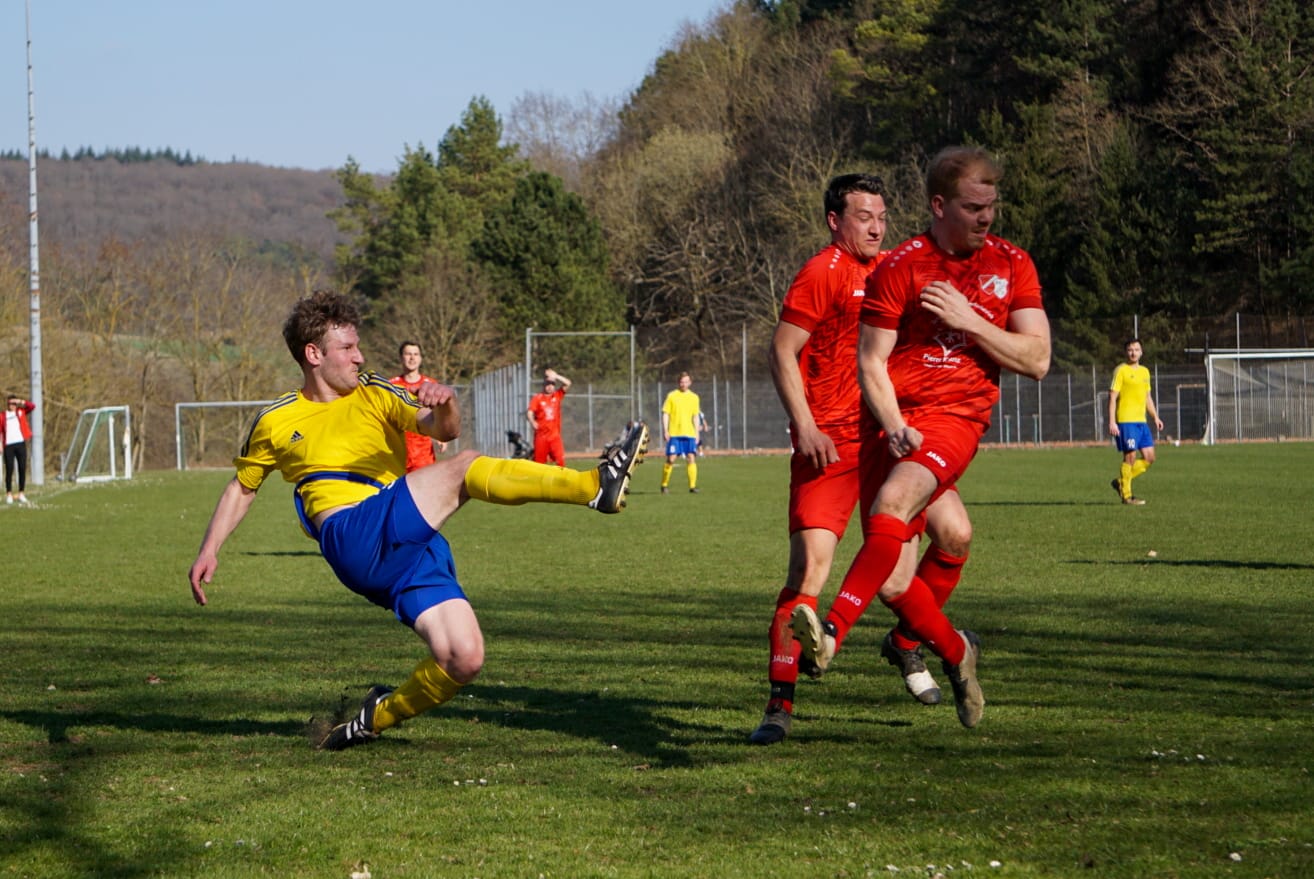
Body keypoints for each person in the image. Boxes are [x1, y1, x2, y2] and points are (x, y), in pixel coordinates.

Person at [187, 291, 649, 751]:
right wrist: (210, 549)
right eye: (347, 348)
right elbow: (242, 487)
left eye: (358, 346)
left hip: (406, 537)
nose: (359, 356)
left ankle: (369, 720)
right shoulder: (275, 419)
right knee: (465, 468)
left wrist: (445, 402)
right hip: (352, 534)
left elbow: (444, 429)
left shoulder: (376, 392)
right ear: (313, 354)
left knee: (463, 658)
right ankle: (595, 487)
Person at [791, 146, 1051, 730]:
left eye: (991, 205)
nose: (985, 218)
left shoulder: (1013, 265)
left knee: (894, 503)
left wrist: (970, 320)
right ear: (939, 205)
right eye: (971, 206)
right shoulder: (900, 266)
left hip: (956, 418)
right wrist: (892, 425)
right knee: (926, 558)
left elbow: (1037, 360)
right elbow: (872, 363)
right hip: (894, 423)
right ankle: (954, 652)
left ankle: (831, 633)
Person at [749, 174, 972, 745]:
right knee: (808, 573)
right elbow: (782, 349)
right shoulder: (824, 271)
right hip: (830, 447)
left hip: (890, 442)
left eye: (881, 216)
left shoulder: (898, 268)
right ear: (834, 221)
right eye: (863, 216)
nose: (876, 227)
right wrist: (805, 425)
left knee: (953, 534)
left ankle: (905, 644)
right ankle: (779, 703)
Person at [1108, 338, 1163, 505]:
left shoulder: (1145, 372)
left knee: (1149, 458)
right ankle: (1127, 496)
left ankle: (1121, 481)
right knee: (1130, 457)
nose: (1133, 352)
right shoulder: (1121, 370)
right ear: (1126, 352)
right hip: (1125, 421)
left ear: (1141, 352)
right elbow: (1112, 397)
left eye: (1136, 349)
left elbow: (1147, 398)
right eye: (1130, 350)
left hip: (1141, 422)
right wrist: (1112, 422)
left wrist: (1155, 417)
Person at [390, 341, 447, 471]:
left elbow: (440, 413)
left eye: (416, 354)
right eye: (408, 354)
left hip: (423, 453)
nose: (412, 358)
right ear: (401, 357)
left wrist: (442, 436)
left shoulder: (431, 385)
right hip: (398, 450)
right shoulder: (391, 386)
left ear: (420, 358)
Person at [660, 372, 705, 493]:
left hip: (689, 433)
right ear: (678, 382)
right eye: (681, 382)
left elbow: (695, 416)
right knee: (671, 459)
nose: (684, 384)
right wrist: (666, 430)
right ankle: (664, 485)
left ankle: (692, 486)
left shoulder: (694, 397)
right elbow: (666, 414)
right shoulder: (672, 396)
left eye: (686, 382)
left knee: (691, 457)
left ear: (690, 383)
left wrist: (697, 433)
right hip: (675, 434)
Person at [526, 368, 572, 466]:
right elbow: (530, 412)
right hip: (541, 436)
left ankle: (561, 480)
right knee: (539, 464)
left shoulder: (557, 396)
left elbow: (568, 383)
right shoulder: (538, 398)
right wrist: (532, 421)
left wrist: (556, 376)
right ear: (544, 384)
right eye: (548, 384)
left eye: (552, 384)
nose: (550, 387)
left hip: (554, 436)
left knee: (560, 460)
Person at [3, 394, 35, 505]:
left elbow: (32, 406)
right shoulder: (3, 415)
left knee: (22, 468)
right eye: (10, 403)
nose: (12, 405)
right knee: (9, 469)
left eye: (14, 403)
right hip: (8, 445)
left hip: (20, 444)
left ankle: (21, 493)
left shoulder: (20, 412)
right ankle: (9, 494)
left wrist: (20, 401)